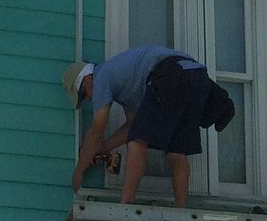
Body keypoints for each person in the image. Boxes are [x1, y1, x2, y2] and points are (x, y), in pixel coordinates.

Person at [64, 46, 216, 207]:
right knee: (176, 149)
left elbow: (97, 129)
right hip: (197, 76)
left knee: (137, 141)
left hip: (170, 73)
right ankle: (181, 210)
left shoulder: (100, 76)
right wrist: (102, 149)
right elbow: (131, 125)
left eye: (83, 94)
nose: (88, 99)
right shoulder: (127, 86)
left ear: (87, 78)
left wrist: (79, 171)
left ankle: (127, 203)